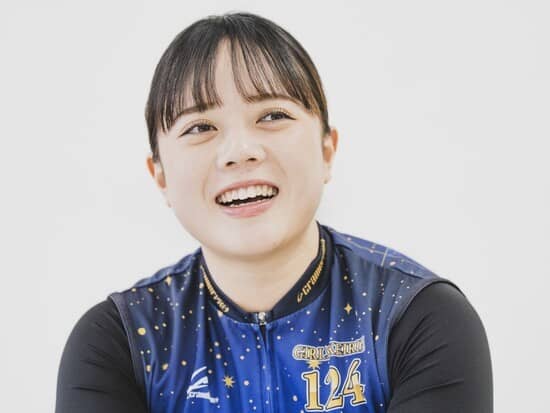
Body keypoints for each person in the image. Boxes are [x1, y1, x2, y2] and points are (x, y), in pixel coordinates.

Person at [55, 12, 492, 413]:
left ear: (327, 150)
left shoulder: (415, 317)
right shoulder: (120, 342)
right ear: (161, 177)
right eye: (200, 127)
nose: (240, 151)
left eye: (272, 115)